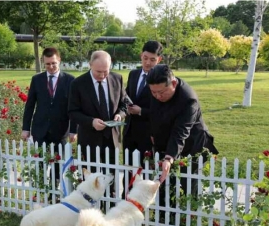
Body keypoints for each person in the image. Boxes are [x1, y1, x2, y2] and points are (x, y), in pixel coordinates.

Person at [147, 64, 219, 215]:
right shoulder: (156, 90)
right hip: (168, 143)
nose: (157, 97)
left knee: (186, 185)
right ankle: (165, 217)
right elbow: (154, 114)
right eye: (153, 92)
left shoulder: (188, 99)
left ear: (173, 84)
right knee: (165, 183)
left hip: (192, 146)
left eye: (161, 92)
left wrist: (169, 157)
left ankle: (186, 218)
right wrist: (154, 135)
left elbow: (181, 132)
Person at [68, 50, 126, 197]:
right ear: (90, 65)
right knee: (91, 176)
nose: (102, 75)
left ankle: (110, 201)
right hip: (90, 138)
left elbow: (124, 104)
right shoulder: (78, 83)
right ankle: (91, 203)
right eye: (98, 71)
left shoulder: (117, 78)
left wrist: (120, 115)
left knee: (111, 173)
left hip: (112, 138)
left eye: (105, 71)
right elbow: (72, 112)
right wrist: (91, 122)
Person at [21, 47, 77, 195]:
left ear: (59, 60)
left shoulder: (70, 80)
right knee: (40, 163)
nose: (51, 67)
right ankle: (41, 192)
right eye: (47, 64)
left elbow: (74, 108)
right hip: (40, 130)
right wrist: (25, 128)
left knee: (58, 165)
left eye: (53, 63)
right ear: (43, 63)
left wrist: (73, 130)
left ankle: (53, 193)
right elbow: (30, 105)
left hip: (60, 131)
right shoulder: (37, 79)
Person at [122, 41, 163, 198]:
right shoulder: (133, 74)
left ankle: (142, 201)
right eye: (145, 58)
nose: (147, 62)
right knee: (128, 168)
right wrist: (125, 109)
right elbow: (125, 95)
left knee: (145, 171)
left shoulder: (161, 78)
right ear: (141, 56)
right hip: (129, 130)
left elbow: (162, 109)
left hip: (148, 132)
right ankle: (126, 196)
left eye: (152, 59)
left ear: (159, 60)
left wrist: (141, 111)